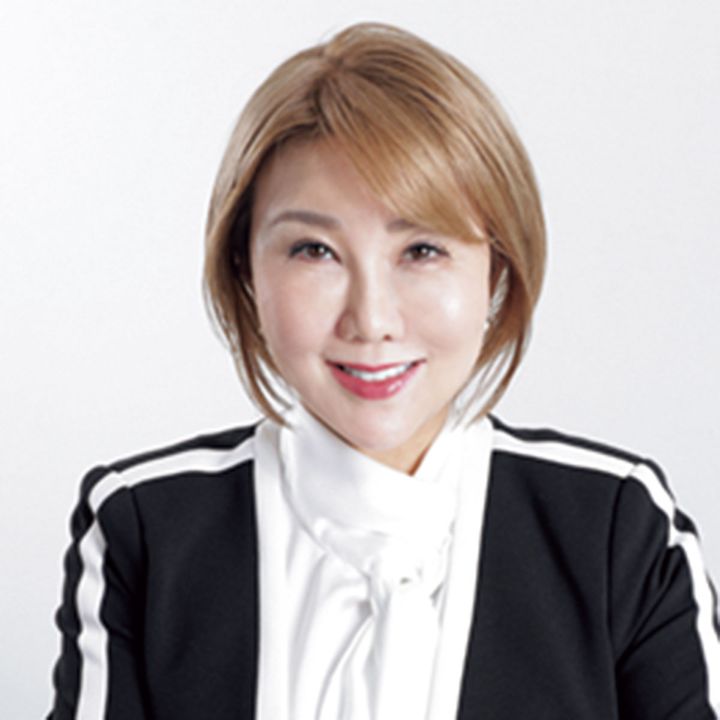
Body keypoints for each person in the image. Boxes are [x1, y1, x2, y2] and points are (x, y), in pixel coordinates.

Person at [47, 21, 719, 720]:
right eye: (314, 250)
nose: (371, 320)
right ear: (245, 269)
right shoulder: (143, 528)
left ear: (496, 270)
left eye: (422, 250)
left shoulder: (618, 530)